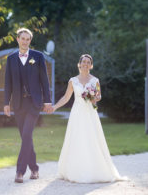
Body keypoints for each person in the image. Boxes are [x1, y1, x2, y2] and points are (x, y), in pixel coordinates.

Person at [51, 54, 127, 183]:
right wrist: (54, 107)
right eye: (83, 62)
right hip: (77, 113)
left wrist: (94, 98)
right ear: (79, 64)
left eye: (88, 62)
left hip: (90, 113)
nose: (85, 64)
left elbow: (99, 96)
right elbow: (66, 97)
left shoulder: (95, 80)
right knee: (76, 138)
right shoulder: (73, 81)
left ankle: (94, 170)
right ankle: (74, 170)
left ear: (91, 65)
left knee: (92, 138)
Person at [4, 28, 52, 183]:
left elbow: (44, 80)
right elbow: (8, 83)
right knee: (25, 137)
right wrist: (6, 103)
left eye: (27, 39)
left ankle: (20, 171)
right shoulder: (11, 59)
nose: (25, 41)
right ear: (17, 39)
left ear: (30, 41)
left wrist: (47, 101)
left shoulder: (38, 57)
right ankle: (35, 168)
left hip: (34, 103)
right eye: (22, 38)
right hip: (18, 104)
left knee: (26, 135)